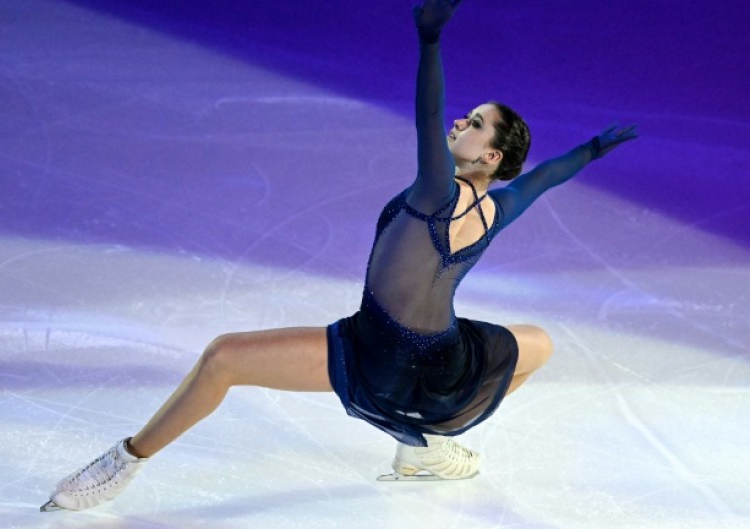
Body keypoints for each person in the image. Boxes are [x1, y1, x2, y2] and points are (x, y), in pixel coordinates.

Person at [41, 0, 637, 511]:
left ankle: (122, 464)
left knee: (223, 357)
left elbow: (428, 114)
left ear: (489, 157)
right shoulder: (498, 208)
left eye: (476, 124)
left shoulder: (436, 189)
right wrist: (594, 149)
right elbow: (547, 178)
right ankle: (423, 442)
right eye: (469, 116)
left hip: (373, 353)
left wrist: (429, 39)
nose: (462, 121)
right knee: (540, 346)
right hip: (443, 364)